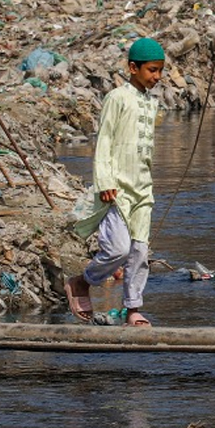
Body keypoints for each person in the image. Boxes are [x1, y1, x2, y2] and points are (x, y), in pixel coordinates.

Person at [66, 38, 164, 327]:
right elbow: (105, 141)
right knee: (118, 249)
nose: (157, 77)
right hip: (118, 188)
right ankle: (83, 281)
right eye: (151, 70)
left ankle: (133, 308)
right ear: (133, 68)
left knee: (140, 253)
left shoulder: (151, 102)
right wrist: (105, 181)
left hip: (143, 188)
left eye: (160, 71)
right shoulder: (117, 98)